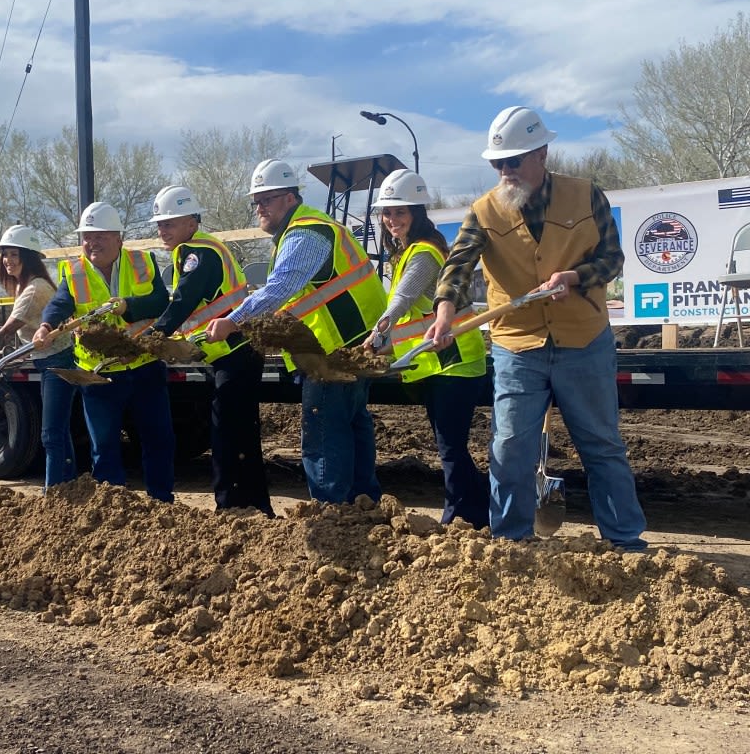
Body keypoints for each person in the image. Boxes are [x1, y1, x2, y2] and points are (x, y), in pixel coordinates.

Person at [425, 105, 647, 550]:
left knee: (602, 443)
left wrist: (575, 278)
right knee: (509, 448)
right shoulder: (484, 211)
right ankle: (511, 542)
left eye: (514, 161)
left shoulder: (586, 195)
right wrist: (446, 310)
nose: (505, 171)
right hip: (518, 345)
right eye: (497, 163)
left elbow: (611, 259)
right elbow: (458, 266)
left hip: (583, 338)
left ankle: (625, 542)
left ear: (542, 153)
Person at [205, 159, 387, 505]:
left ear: (290, 198)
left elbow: (280, 287)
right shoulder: (312, 228)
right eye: (256, 201)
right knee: (352, 427)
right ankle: (364, 507)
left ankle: (332, 514)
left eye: (267, 199)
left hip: (332, 352)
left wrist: (234, 321)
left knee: (324, 434)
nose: (259, 208)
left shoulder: (305, 232)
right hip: (354, 344)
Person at [362, 170, 490, 529]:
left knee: (450, 448)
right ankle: (479, 510)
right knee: (450, 446)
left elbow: (404, 297)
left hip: (455, 361)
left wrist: (381, 328)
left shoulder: (424, 252)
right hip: (437, 364)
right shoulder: (406, 251)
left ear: (417, 212)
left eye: (400, 212)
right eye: (387, 213)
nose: (392, 220)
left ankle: (461, 517)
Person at [32, 201, 175, 502]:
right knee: (105, 445)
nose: (92, 242)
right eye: (86, 236)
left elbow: (161, 302)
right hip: (100, 374)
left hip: (143, 364)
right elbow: (59, 304)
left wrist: (128, 306)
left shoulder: (143, 261)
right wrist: (45, 326)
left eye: (100, 236)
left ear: (119, 239)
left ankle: (162, 503)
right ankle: (112, 508)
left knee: (157, 439)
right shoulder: (73, 272)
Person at [147, 185, 273, 517]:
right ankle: (255, 506)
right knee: (241, 435)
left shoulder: (197, 253)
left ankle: (231, 507)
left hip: (236, 354)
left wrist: (152, 337)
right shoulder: (204, 249)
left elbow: (183, 302)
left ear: (191, 221)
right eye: (160, 224)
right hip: (235, 353)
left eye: (169, 223)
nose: (163, 229)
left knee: (228, 436)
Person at [0, 225, 78, 491]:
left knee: (51, 433)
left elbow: (4, 334)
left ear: (28, 257)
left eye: (14, 254)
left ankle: (53, 491)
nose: (7, 260)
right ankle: (70, 486)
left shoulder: (34, 290)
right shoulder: (25, 287)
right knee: (59, 431)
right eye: (5, 254)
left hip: (58, 362)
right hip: (48, 361)